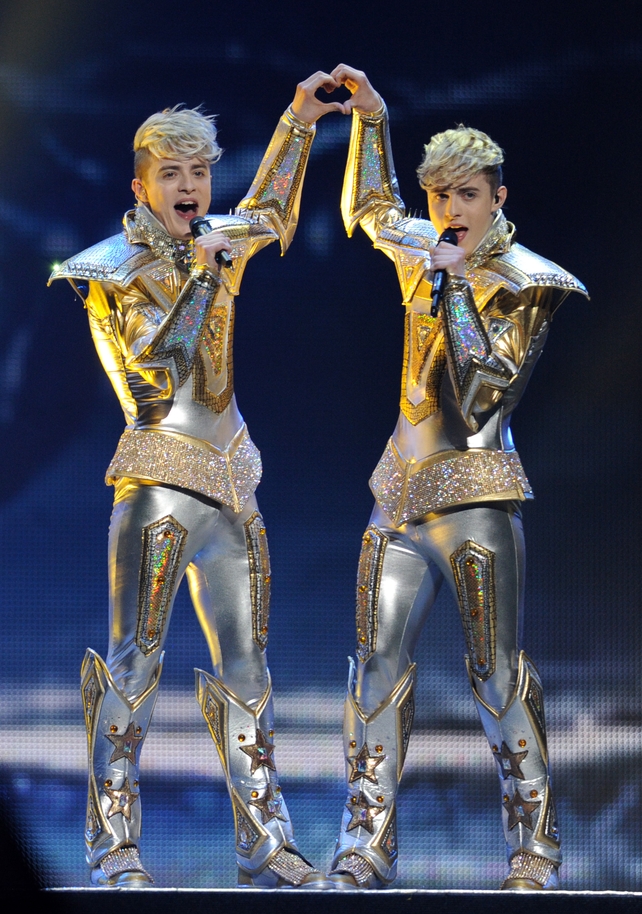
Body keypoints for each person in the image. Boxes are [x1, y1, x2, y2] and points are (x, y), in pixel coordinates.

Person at [49, 72, 343, 889]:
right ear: (140, 184)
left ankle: (265, 842)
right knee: (135, 663)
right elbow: (154, 367)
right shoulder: (104, 271)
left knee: (249, 668)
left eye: (199, 174)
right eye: (172, 175)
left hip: (231, 487)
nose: (190, 188)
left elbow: (274, 210)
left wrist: (298, 119)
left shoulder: (214, 240)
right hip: (155, 487)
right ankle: (114, 851)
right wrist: (209, 272)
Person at [325, 64, 587, 892]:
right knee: (374, 667)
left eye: (465, 196)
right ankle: (368, 843)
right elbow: (368, 211)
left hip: (476, 495)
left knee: (494, 673)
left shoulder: (527, 284)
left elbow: (484, 389)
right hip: (397, 495)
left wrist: (450, 287)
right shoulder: (423, 251)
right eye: (439, 197)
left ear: (497, 198)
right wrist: (373, 120)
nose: (448, 212)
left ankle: (534, 849)